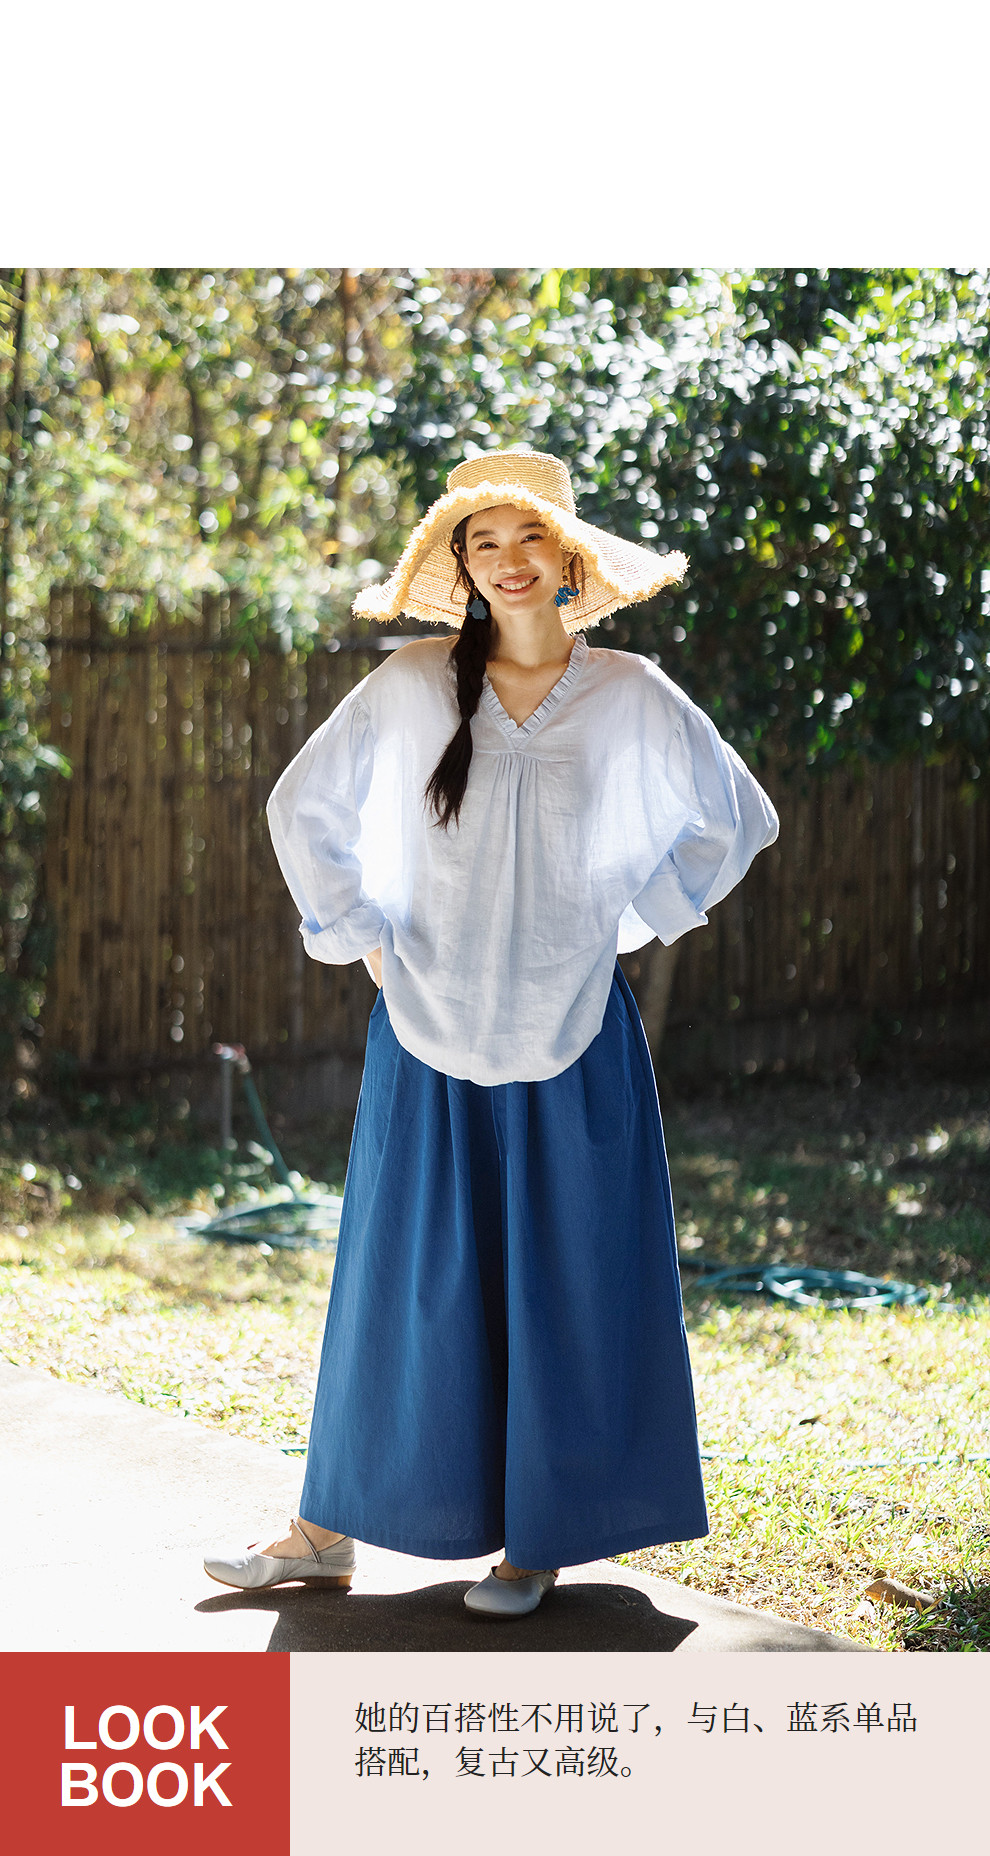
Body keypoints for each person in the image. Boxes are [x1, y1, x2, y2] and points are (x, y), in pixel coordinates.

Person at [204, 448, 779, 1617]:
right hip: (426, 1029)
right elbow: (299, 807)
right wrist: (363, 937)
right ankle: (324, 1530)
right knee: (398, 1287)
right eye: (484, 542)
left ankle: (537, 1539)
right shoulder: (412, 683)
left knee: (570, 1281)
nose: (510, 561)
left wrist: (625, 920)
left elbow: (737, 816)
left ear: (569, 559)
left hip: (575, 1033)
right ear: (461, 567)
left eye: (530, 537)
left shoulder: (632, 693)